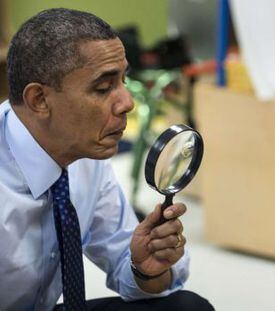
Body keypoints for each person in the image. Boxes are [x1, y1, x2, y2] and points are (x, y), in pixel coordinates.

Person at [0, 8, 213, 311]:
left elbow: (127, 265)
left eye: (124, 80)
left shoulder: (86, 153)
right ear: (39, 100)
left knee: (187, 308)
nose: (127, 102)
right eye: (103, 88)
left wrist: (145, 268)